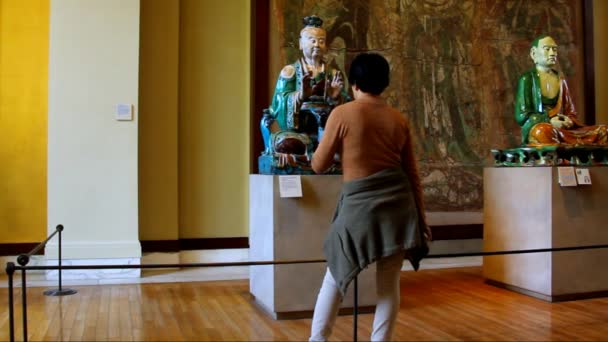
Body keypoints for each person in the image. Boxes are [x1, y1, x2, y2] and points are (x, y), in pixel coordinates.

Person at [309, 53, 431, 341]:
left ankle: (317, 340)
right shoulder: (399, 120)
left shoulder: (342, 114)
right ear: (384, 83)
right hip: (399, 209)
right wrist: (422, 221)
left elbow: (318, 164)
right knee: (388, 286)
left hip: (358, 211)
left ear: (354, 83)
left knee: (334, 279)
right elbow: (412, 174)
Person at [260, 15, 349, 172]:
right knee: (287, 143)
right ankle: (319, 157)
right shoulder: (290, 71)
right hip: (299, 133)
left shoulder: (333, 74)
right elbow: (278, 104)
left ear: (326, 45)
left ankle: (321, 155)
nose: (317, 45)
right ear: (301, 44)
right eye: (312, 40)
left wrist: (335, 99)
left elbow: (347, 108)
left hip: (327, 132)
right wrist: (301, 95)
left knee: (347, 144)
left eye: (321, 41)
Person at [514, 35, 608, 146]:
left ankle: (567, 150)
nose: (552, 53)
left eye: (554, 49)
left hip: (563, 132)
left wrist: (569, 120)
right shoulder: (528, 78)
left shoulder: (560, 79)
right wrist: (549, 120)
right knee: (542, 132)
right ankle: (565, 153)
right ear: (533, 53)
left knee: (604, 131)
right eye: (547, 49)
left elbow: (570, 112)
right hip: (544, 128)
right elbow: (522, 115)